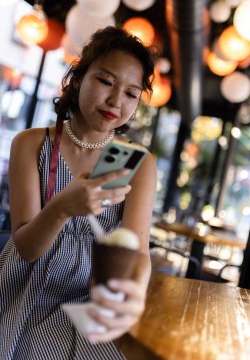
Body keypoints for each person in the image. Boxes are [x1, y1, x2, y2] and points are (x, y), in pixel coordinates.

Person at [0, 26, 157, 359]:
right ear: (78, 79)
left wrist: (135, 292)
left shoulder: (135, 162)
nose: (116, 101)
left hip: (91, 296)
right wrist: (61, 208)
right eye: (105, 81)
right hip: (24, 290)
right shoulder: (30, 144)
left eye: (131, 93)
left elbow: (137, 252)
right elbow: (26, 249)